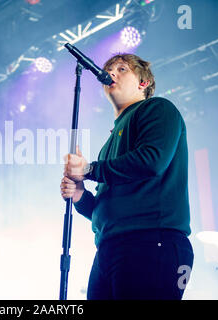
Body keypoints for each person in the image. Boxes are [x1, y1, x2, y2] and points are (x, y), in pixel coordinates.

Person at [60, 53, 194, 300]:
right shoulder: (110, 140)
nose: (111, 72)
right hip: (109, 249)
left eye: (122, 69)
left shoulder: (158, 109)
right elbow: (108, 210)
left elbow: (152, 161)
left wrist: (89, 170)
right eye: (109, 69)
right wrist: (80, 194)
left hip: (152, 243)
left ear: (143, 83)